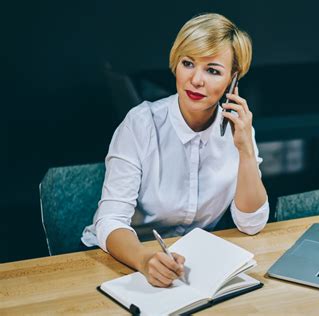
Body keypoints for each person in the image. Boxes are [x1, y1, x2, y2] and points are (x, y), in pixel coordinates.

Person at [81, 13, 269, 287]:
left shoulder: (238, 129)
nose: (195, 80)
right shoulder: (141, 124)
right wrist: (145, 260)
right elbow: (109, 221)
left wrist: (246, 151)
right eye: (188, 63)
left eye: (213, 70)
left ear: (233, 79)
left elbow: (251, 224)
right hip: (123, 260)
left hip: (189, 266)